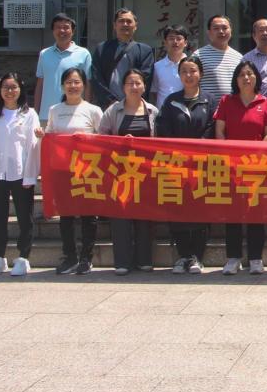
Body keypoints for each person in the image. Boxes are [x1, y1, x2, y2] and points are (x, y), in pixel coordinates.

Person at [37, 67, 103, 275]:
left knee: (88, 215)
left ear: (84, 85)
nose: (73, 86)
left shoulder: (93, 110)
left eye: (77, 82)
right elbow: (50, 136)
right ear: (62, 86)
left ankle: (86, 258)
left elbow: (103, 139)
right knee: (65, 215)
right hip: (63, 171)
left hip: (87, 171)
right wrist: (42, 135)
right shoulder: (55, 110)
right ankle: (69, 256)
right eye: (68, 82)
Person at [214, 60, 267, 275]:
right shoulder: (226, 101)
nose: (246, 78)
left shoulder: (266, 103)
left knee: (256, 213)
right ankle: (233, 258)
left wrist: (257, 158)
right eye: (241, 75)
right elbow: (220, 131)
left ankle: (256, 257)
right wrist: (228, 157)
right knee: (232, 213)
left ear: (256, 77)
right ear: (236, 80)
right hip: (231, 166)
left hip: (256, 167)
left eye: (250, 74)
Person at [157, 56, 216, 274]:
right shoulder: (171, 101)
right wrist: (180, 152)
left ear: (201, 74)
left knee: (201, 210)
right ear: (179, 75)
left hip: (202, 164)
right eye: (184, 71)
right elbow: (163, 130)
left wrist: (196, 150)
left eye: (193, 71)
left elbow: (212, 128)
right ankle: (183, 255)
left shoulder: (210, 101)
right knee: (177, 209)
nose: (189, 75)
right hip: (177, 164)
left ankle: (197, 256)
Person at [0, 73, 40, 277]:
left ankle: (23, 257)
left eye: (14, 87)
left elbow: (33, 147)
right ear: (0, 90)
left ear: (21, 89)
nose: (10, 91)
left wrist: (30, 175)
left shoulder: (29, 114)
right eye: (6, 87)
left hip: (21, 174)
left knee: (24, 217)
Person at [98, 69, 158, 275]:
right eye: (130, 83)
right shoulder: (113, 111)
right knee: (120, 217)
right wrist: (119, 142)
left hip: (146, 171)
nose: (134, 87)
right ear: (123, 87)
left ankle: (144, 259)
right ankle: (122, 261)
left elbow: (161, 141)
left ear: (144, 86)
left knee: (145, 216)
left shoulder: (152, 111)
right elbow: (101, 138)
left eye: (138, 83)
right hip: (120, 172)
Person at [90, 8, 154, 109]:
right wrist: (110, 101)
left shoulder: (145, 51)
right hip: (108, 107)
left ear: (135, 26)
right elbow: (96, 77)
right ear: (114, 25)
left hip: (134, 106)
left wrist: (131, 101)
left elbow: (145, 78)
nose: (125, 24)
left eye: (129, 21)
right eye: (121, 21)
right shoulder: (102, 49)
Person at [34, 13, 91, 123]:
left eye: (66, 27)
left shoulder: (83, 54)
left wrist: (87, 111)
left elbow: (88, 84)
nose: (62, 31)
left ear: (73, 31)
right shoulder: (44, 54)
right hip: (46, 115)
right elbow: (40, 84)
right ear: (53, 31)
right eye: (58, 27)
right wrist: (36, 112)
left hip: (74, 116)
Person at [194, 15, 244, 103]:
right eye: (216, 28)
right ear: (209, 32)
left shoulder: (239, 57)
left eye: (225, 28)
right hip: (207, 107)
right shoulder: (198, 55)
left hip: (232, 107)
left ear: (231, 31)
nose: (221, 31)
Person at [150, 24, 189, 109]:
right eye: (171, 38)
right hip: (163, 113)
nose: (175, 42)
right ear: (165, 42)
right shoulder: (157, 67)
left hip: (186, 112)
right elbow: (154, 92)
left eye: (179, 38)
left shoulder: (192, 66)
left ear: (185, 43)